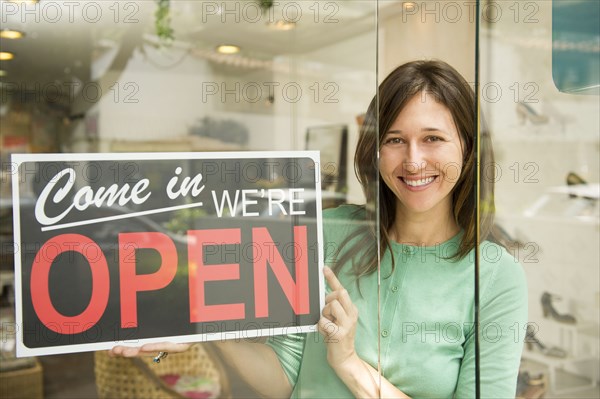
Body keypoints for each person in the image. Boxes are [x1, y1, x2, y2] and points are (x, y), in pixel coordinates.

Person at [111, 60, 528, 398]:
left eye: (433, 138)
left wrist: (347, 361)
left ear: (468, 148)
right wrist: (208, 330)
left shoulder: (494, 276)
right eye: (395, 139)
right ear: (375, 149)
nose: (413, 160)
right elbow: (285, 380)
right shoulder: (324, 233)